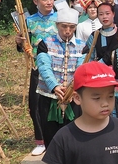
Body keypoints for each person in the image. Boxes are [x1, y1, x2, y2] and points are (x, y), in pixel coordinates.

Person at [15, 0, 58, 156]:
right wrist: (19, 43)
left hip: (58, 65)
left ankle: (60, 137)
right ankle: (41, 140)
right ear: (36, 1)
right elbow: (24, 45)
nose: (49, 2)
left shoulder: (61, 17)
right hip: (37, 66)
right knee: (36, 103)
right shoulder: (28, 21)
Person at [36, 8, 85, 149]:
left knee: (75, 133)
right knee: (50, 133)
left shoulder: (82, 47)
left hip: (73, 96)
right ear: (57, 25)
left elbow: (80, 69)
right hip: (49, 95)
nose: (67, 30)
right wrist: (55, 86)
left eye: (71, 27)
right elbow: (44, 67)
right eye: (64, 26)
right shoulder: (44, 43)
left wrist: (71, 90)